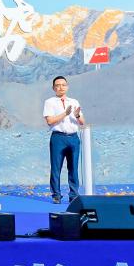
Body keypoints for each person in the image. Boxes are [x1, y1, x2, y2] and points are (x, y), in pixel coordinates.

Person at [44, 75, 86, 203]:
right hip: (58, 138)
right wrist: (65, 114)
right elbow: (50, 121)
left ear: (67, 87)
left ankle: (74, 195)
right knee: (56, 167)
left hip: (73, 137)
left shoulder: (74, 102)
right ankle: (56, 195)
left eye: (63, 85)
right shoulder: (50, 102)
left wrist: (77, 115)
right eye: (58, 85)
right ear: (53, 88)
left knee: (73, 167)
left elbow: (82, 122)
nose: (61, 87)